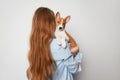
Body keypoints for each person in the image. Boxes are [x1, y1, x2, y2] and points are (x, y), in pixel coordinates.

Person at [27, 7, 82, 80]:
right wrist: (78, 56)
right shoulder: (60, 45)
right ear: (51, 24)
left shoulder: (35, 47)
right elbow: (75, 69)